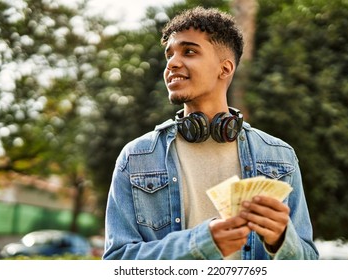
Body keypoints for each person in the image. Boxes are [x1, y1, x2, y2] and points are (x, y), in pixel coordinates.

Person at [103, 6, 318, 260]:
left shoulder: (280, 157)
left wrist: (281, 239)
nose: (172, 63)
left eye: (189, 51)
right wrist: (201, 244)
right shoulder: (136, 157)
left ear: (225, 69)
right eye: (168, 55)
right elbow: (117, 262)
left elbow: (308, 262)